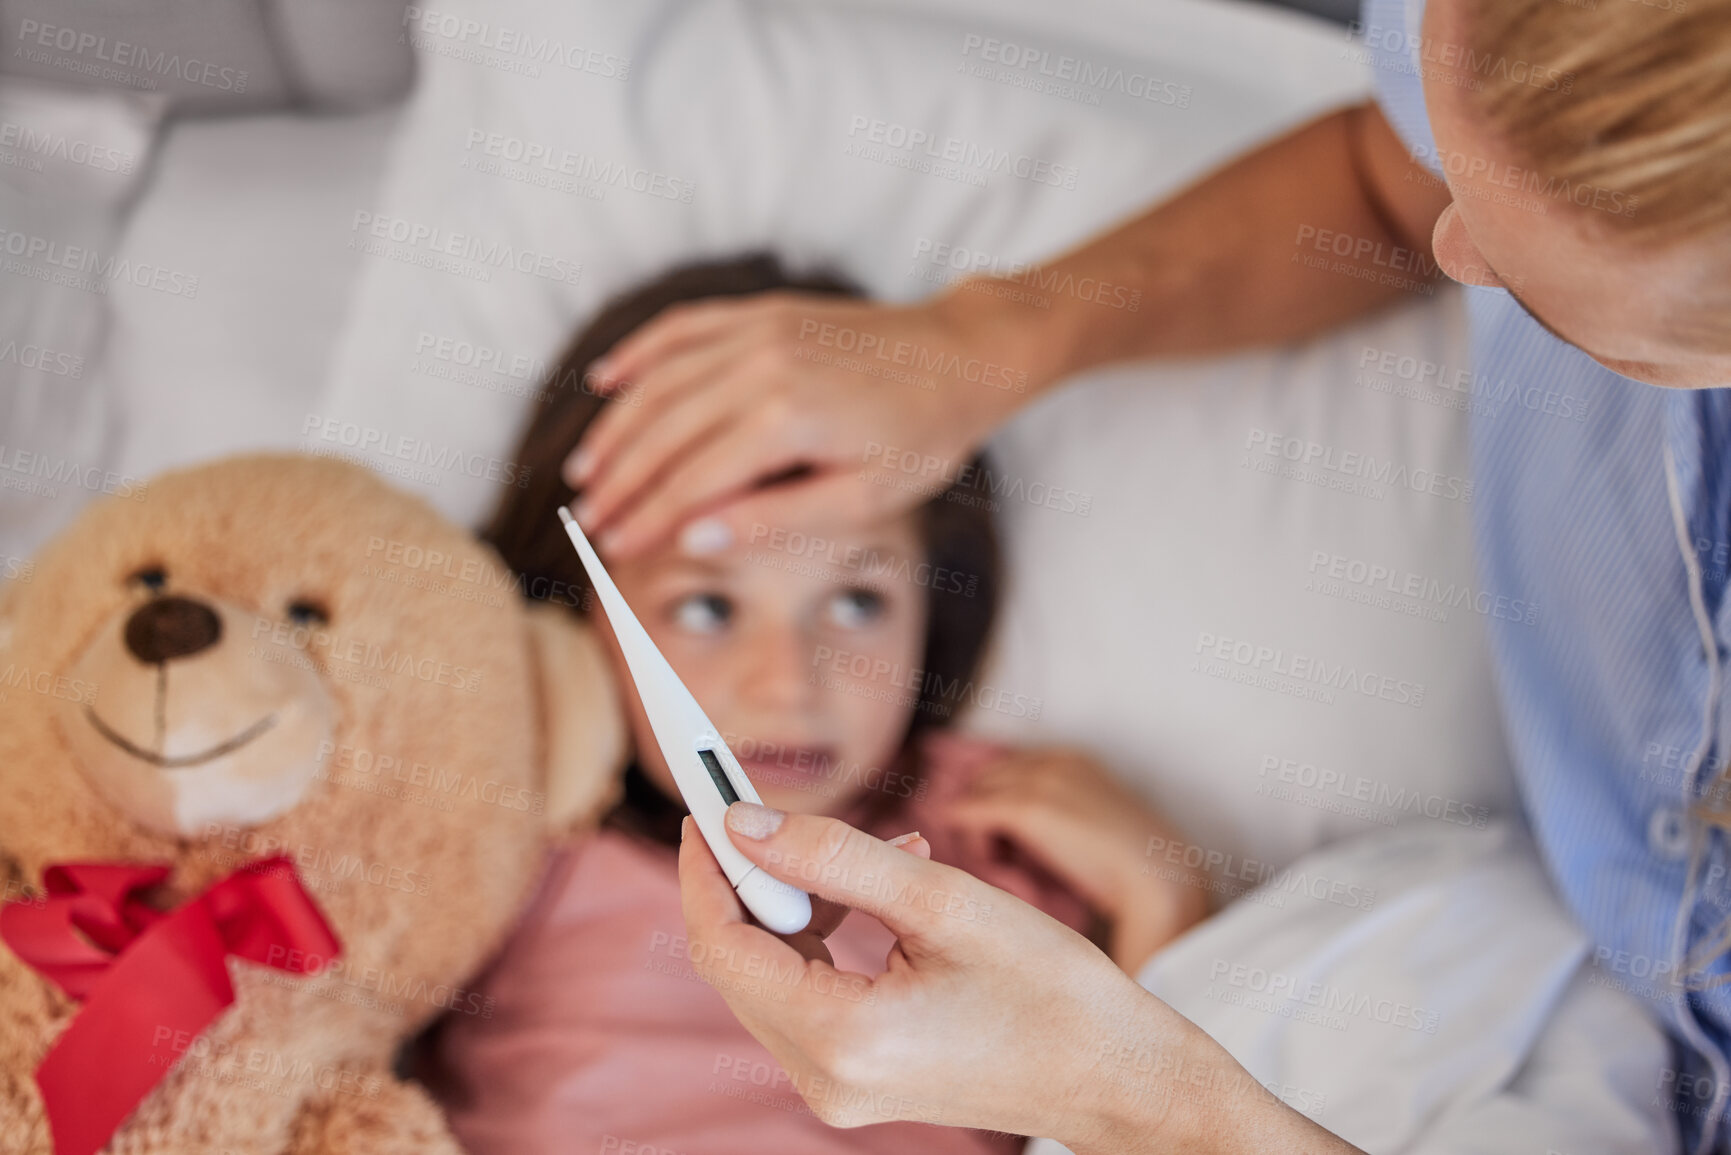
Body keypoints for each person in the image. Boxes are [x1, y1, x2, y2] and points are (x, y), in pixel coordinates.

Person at [569, 0, 1731, 1148]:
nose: (1455, 249)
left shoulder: (1008, 848)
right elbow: (1397, 185)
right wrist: (987, 342)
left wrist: (1129, 1093)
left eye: (1559, 261)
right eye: (1461, 151)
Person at [425, 255, 1211, 1155]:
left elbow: (1135, 1112)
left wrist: (1164, 912)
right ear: (577, 613)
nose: (788, 683)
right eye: (707, 605)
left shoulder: (1000, 851)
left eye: (855, 601)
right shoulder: (497, 837)